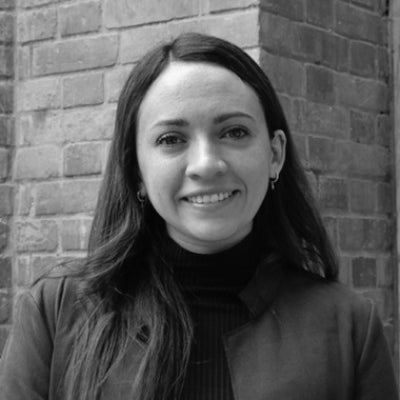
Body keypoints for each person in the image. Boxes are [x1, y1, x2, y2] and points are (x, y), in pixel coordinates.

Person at [0, 32, 398, 400]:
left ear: (275, 154)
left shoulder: (348, 327)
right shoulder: (56, 313)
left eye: (234, 132)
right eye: (171, 139)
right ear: (136, 170)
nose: (206, 165)